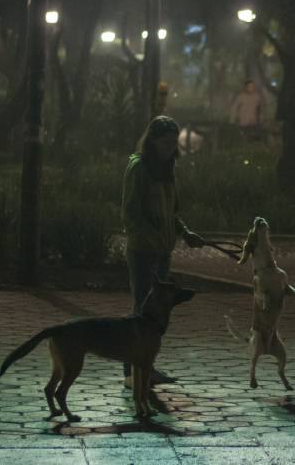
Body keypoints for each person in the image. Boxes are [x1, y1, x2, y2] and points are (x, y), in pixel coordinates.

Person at [120, 116, 206, 387]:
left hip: (161, 251)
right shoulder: (138, 168)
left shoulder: (168, 169)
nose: (170, 148)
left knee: (155, 313)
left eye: (173, 143)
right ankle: (133, 370)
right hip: (143, 252)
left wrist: (185, 232)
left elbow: (172, 213)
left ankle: (146, 366)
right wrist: (152, 236)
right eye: (165, 142)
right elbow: (131, 213)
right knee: (143, 309)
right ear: (152, 141)